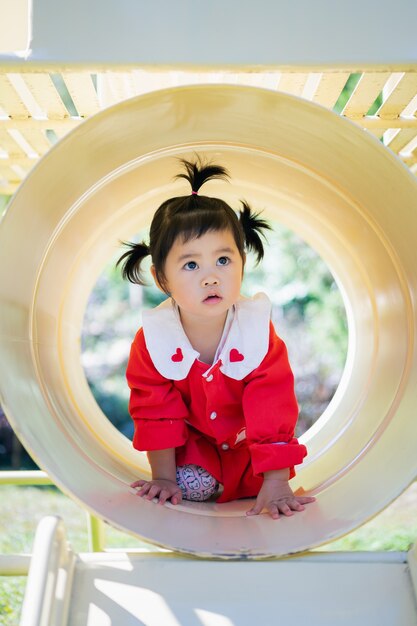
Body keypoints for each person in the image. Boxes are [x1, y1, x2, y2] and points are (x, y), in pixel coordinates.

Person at [118, 156, 315, 520]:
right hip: (196, 450)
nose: (210, 277)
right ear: (162, 278)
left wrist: (276, 480)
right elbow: (154, 410)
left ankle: (254, 482)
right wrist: (163, 477)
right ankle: (200, 482)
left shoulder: (255, 331)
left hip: (246, 448)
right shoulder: (154, 339)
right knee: (188, 486)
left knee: (261, 486)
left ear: (242, 261)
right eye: (191, 265)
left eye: (223, 261)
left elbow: (272, 404)